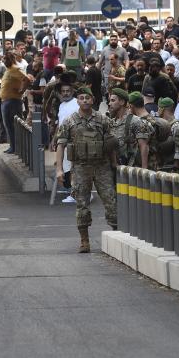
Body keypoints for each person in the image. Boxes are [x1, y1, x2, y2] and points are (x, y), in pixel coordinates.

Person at [54, 86, 118, 253]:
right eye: (81, 98)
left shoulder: (103, 120)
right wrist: (59, 169)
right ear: (77, 101)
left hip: (102, 166)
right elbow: (60, 145)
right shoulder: (69, 121)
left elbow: (111, 144)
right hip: (81, 168)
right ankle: (84, 240)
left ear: (93, 100)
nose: (84, 101)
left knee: (111, 201)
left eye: (87, 98)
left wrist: (114, 164)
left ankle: (117, 236)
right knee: (82, 204)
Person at [108, 87, 150, 168]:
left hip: (131, 169)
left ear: (122, 102)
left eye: (113, 100)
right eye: (109, 101)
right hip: (116, 167)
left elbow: (143, 146)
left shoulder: (135, 121)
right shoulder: (112, 122)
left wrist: (144, 169)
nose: (109, 103)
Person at [0, 53, 32, 155]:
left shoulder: (15, 69)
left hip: (12, 101)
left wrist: (21, 90)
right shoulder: (8, 70)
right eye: (3, 59)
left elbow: (27, 79)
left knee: (12, 125)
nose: (4, 61)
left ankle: (16, 147)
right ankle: (13, 146)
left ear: (11, 59)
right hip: (6, 101)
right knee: (9, 125)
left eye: (6, 59)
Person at [157, 97, 179, 172]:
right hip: (161, 166)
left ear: (163, 109)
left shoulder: (176, 126)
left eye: (159, 108)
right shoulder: (162, 124)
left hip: (170, 167)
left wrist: (175, 168)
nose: (158, 111)